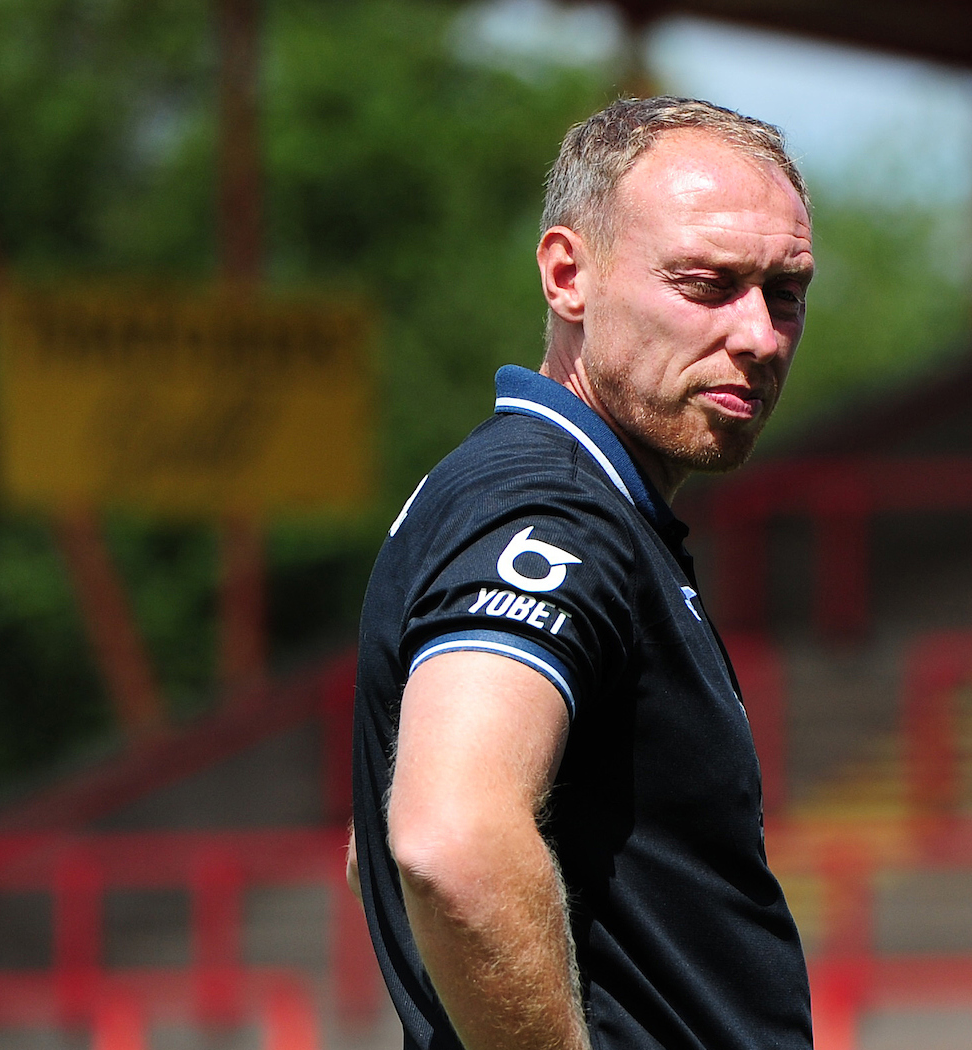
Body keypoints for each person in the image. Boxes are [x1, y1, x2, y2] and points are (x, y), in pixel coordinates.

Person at [346, 97, 815, 1050]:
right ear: (569, 275)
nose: (760, 335)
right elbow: (447, 840)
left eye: (786, 292)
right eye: (707, 283)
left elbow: (378, 847)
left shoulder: (551, 493)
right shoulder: (551, 511)